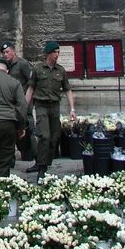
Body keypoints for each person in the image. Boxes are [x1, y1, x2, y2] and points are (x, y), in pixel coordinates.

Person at [25, 41, 75, 181]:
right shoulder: (38, 69)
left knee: (54, 138)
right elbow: (30, 89)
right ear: (48, 53)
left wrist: (72, 109)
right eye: (55, 52)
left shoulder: (61, 70)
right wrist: (23, 107)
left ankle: (45, 162)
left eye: (58, 52)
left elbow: (68, 90)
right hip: (41, 105)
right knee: (44, 136)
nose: (57, 55)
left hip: (55, 106)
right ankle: (41, 168)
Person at [1, 41, 36, 162]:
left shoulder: (23, 64)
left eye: (7, 52)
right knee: (14, 127)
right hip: (12, 102)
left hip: (24, 100)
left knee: (27, 126)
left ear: (13, 51)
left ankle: (30, 153)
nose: (5, 55)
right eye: (3, 53)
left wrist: (27, 101)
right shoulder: (6, 65)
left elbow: (31, 82)